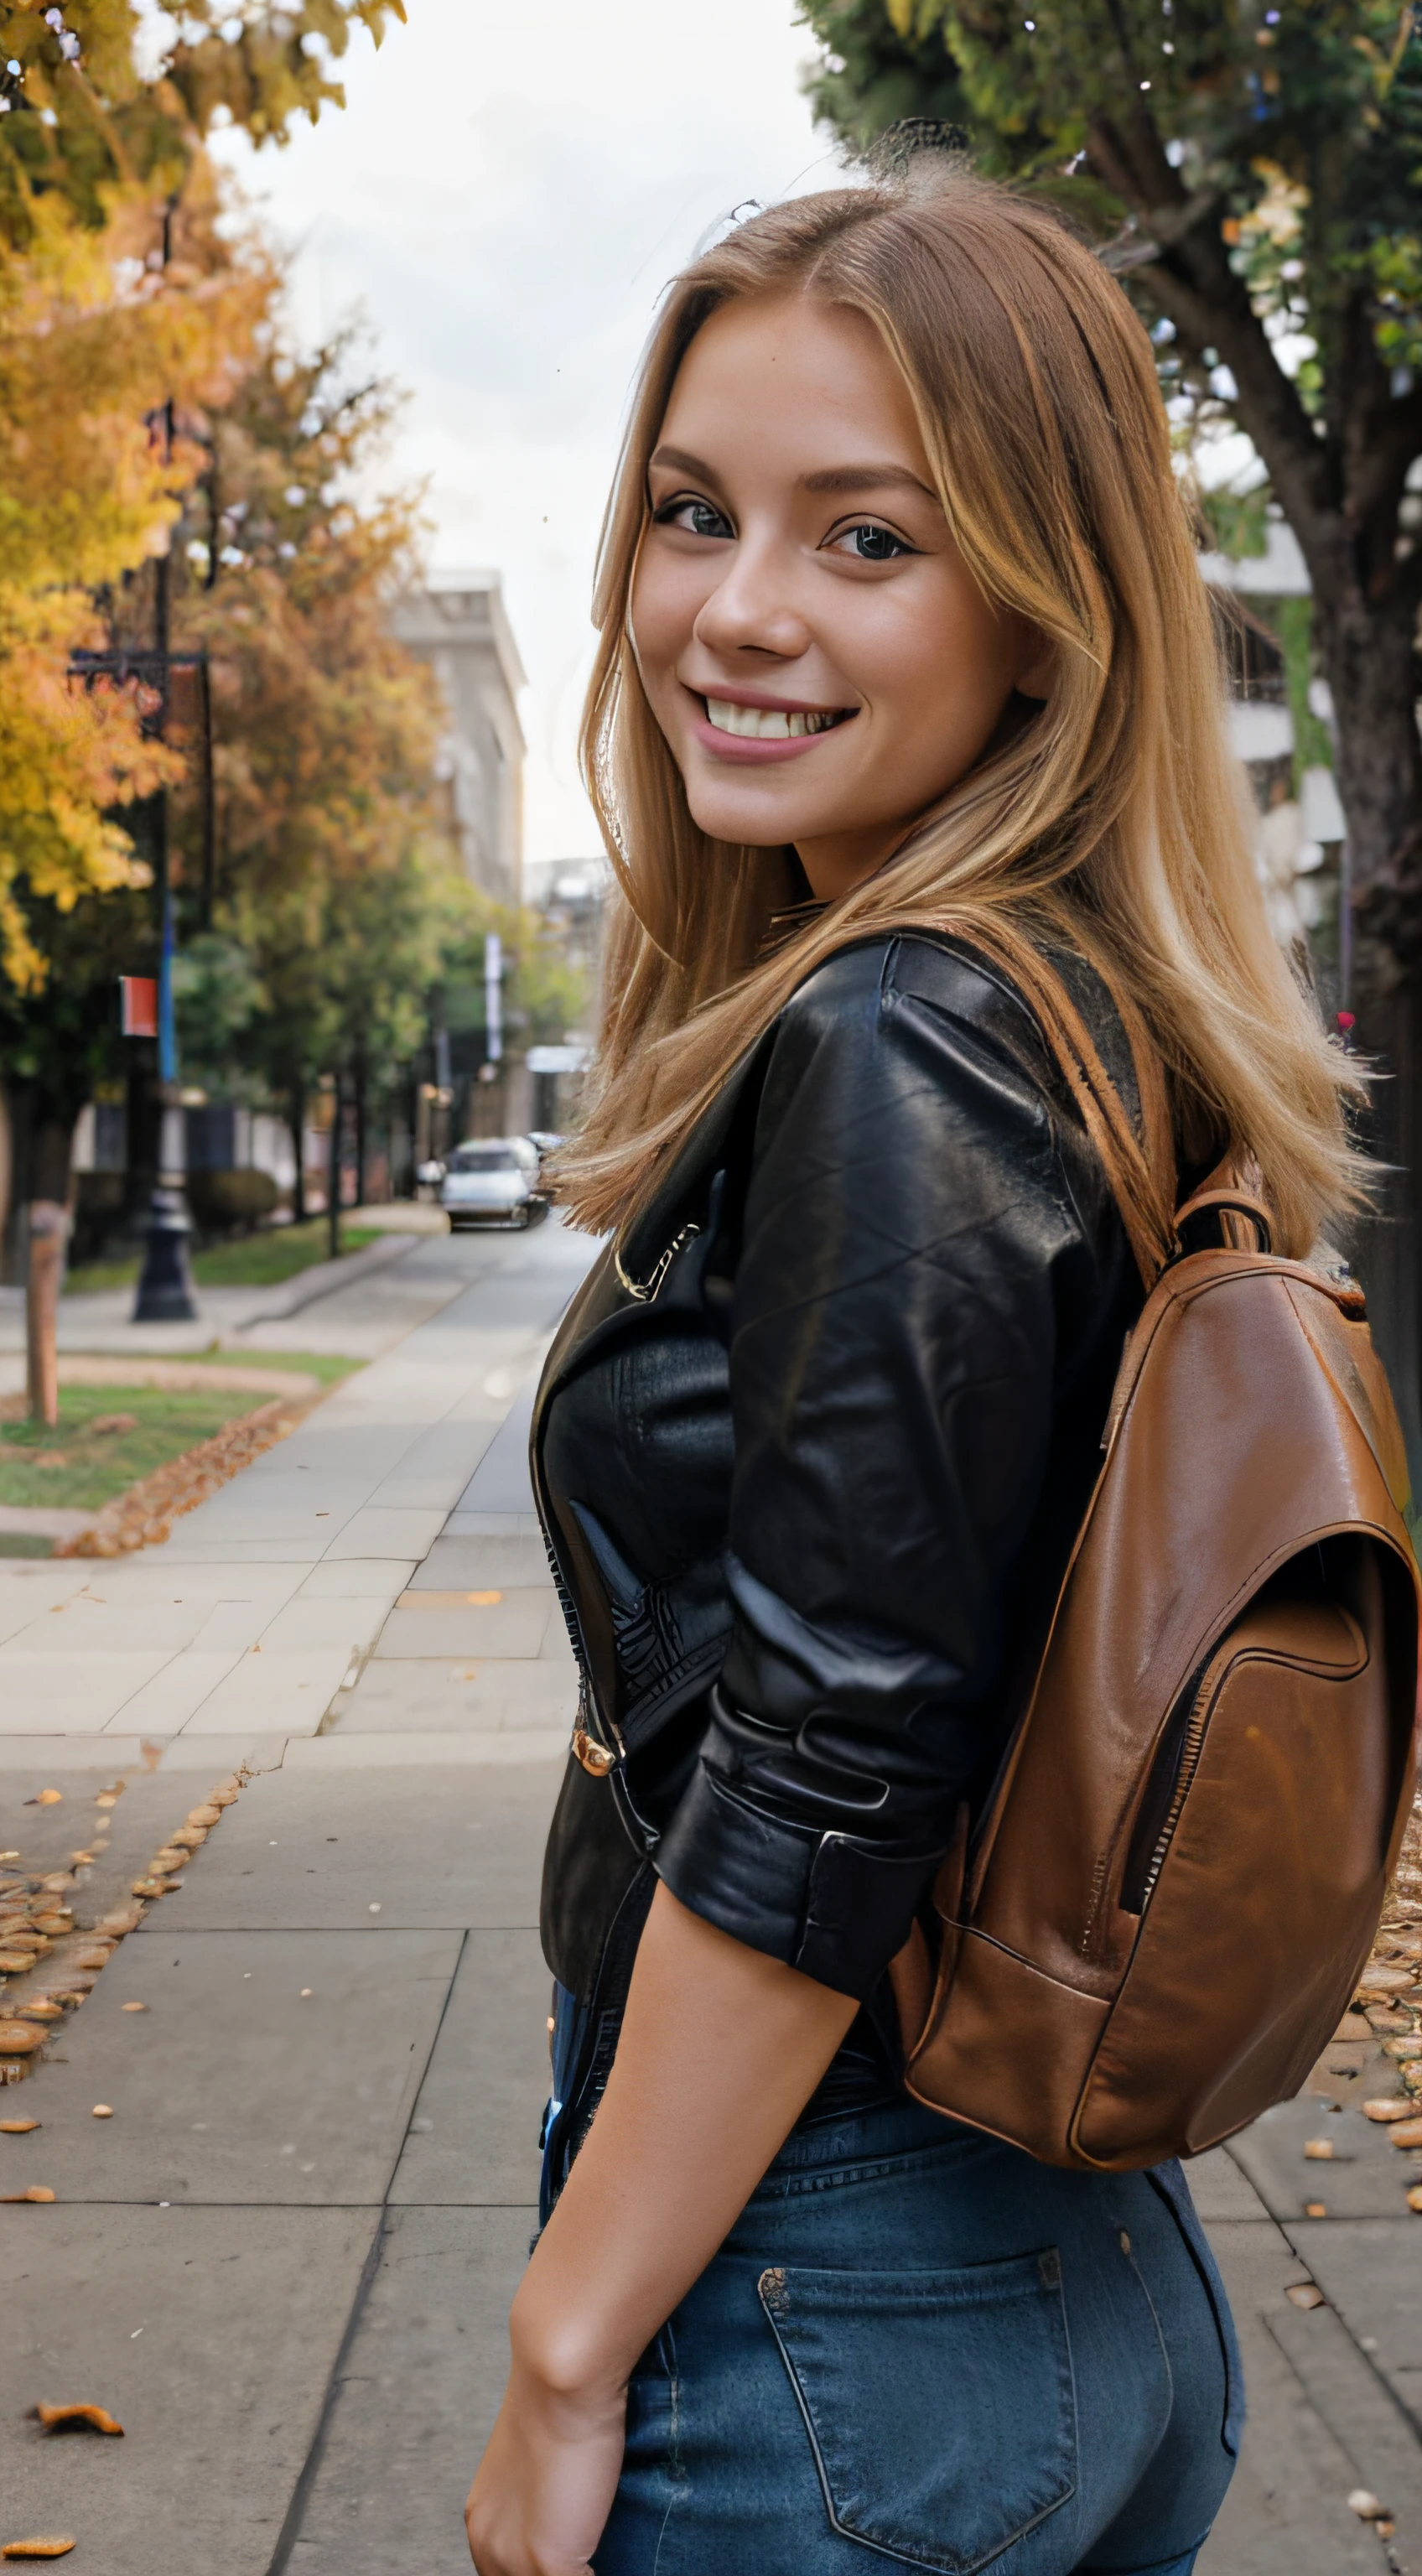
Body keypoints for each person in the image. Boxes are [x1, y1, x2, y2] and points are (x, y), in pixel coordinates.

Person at [464, 162, 1363, 2576]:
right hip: (1073, 2282)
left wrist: (569, 2348)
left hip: (825, 2281)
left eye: (869, 539)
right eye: (691, 513)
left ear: (1049, 616)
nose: (732, 612)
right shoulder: (1095, 1017)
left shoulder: (911, 1026)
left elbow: (834, 1757)